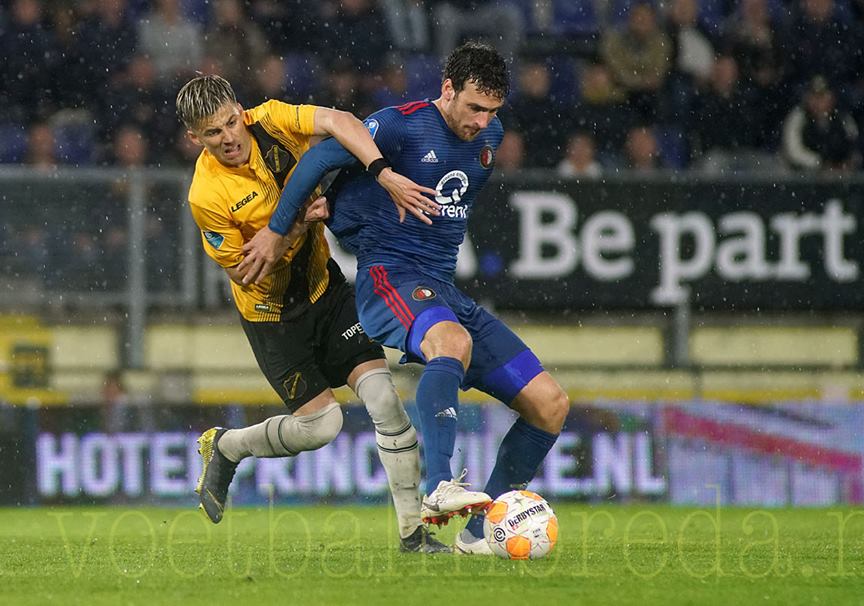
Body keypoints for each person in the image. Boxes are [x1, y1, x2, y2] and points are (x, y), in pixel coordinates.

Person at [240, 41, 570, 556]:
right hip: (388, 277)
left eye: (492, 111)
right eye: (473, 107)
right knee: (450, 341)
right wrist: (279, 230)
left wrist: (347, 203)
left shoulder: (490, 138)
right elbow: (317, 164)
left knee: (550, 404)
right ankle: (439, 486)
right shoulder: (399, 125)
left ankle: (482, 534)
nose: (482, 121)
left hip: (441, 287)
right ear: (447, 90)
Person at [176, 74, 448, 553]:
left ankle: (413, 535)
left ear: (241, 110)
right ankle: (228, 447)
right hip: (272, 315)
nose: (229, 138)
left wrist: (381, 170)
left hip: (326, 290)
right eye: (212, 133)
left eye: (230, 123)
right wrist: (296, 225)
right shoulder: (206, 195)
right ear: (195, 139)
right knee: (323, 427)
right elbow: (244, 274)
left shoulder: (273, 120)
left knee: (385, 400)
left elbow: (341, 121)